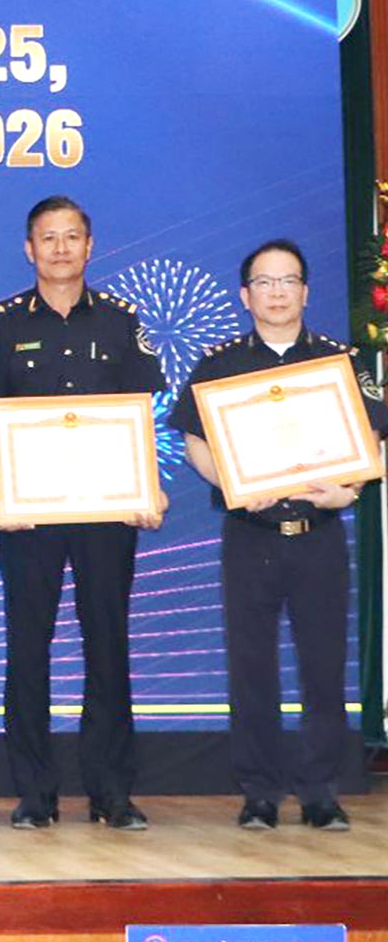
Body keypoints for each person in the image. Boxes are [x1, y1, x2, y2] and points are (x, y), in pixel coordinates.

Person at [0, 195, 166, 831]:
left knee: (108, 645)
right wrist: (5, 489)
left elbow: (138, 416)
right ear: (30, 249)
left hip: (105, 509)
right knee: (28, 648)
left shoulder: (122, 322)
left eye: (72, 237)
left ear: (89, 245)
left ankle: (111, 791)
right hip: (29, 514)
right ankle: (34, 793)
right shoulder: (0, 323)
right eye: (48, 238)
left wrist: (145, 488)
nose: (60, 248)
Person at [169, 239, 387, 831]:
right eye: (264, 283)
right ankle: (259, 791)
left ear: (306, 292)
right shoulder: (220, 365)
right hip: (250, 535)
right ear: (246, 295)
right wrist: (235, 484)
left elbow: (376, 439)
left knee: (323, 666)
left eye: (288, 281)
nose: (277, 293)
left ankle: (321, 789)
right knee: (252, 667)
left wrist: (353, 489)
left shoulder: (340, 361)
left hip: (319, 532)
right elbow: (194, 441)